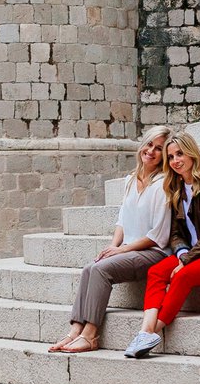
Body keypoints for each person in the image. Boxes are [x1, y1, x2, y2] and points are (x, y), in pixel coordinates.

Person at [49, 126, 174, 353]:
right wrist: (113, 246)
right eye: (148, 144)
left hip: (154, 253)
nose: (151, 151)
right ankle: (74, 332)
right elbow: (122, 221)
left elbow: (159, 235)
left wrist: (122, 250)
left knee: (100, 271)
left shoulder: (163, 185)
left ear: (164, 155)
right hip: (129, 249)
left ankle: (90, 335)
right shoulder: (130, 180)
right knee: (90, 267)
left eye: (158, 149)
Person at [125, 131, 200, 358]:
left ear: (192, 154)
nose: (175, 161)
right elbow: (176, 233)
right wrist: (181, 253)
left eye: (180, 154)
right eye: (170, 157)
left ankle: (153, 331)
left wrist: (186, 261)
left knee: (182, 276)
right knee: (157, 271)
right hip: (190, 254)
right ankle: (145, 332)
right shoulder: (176, 187)